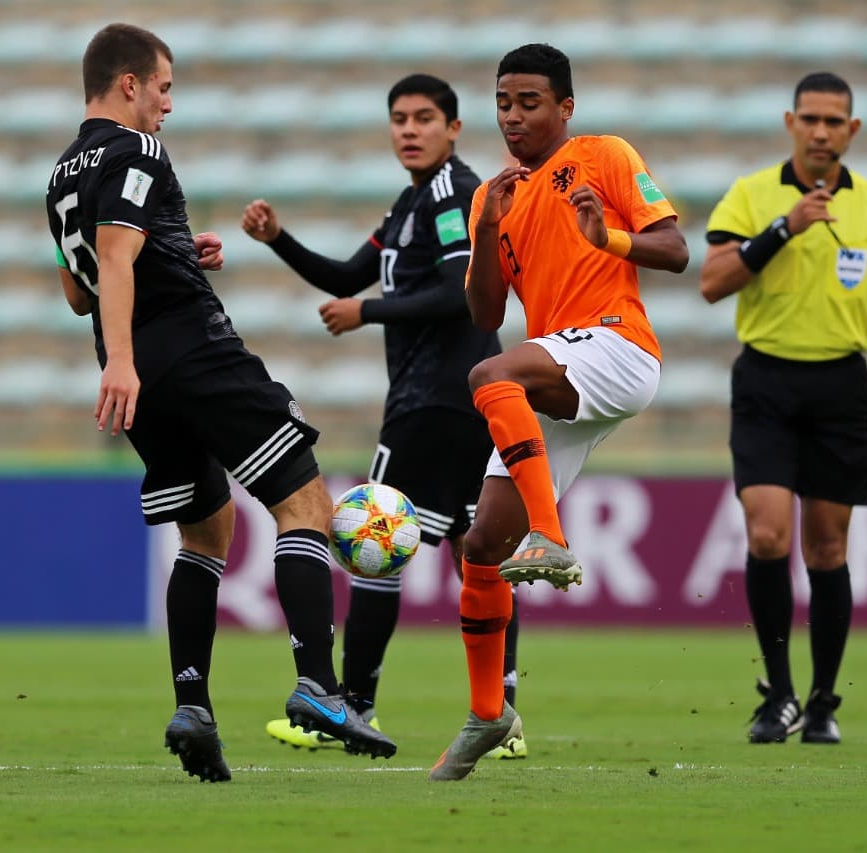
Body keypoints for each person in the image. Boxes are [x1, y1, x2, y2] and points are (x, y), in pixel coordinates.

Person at [45, 23, 396, 782]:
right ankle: (319, 686)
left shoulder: (59, 176)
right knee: (302, 497)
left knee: (206, 531)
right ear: (130, 83)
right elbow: (112, 257)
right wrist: (130, 360)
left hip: (139, 370)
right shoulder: (136, 149)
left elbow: (80, 289)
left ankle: (193, 704)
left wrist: (172, 251)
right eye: (164, 86)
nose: (169, 104)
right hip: (186, 352)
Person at [240, 73, 526, 761]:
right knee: (477, 555)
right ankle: (502, 712)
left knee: (373, 547)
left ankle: (352, 705)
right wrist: (279, 238)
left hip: (430, 402)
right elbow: (345, 276)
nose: (409, 129)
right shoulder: (410, 202)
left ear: (454, 128)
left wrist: (367, 311)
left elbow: (464, 291)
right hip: (464, 400)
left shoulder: (455, 192)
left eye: (424, 118)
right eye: (399, 118)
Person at [426, 43, 689, 782]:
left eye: (529, 103)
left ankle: (551, 533)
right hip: (557, 369)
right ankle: (487, 713)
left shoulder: (603, 157)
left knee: (489, 372)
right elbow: (483, 308)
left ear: (565, 107)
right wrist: (485, 232)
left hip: (617, 346)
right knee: (479, 546)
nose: (513, 117)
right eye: (504, 103)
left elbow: (674, 249)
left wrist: (604, 236)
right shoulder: (493, 194)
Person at [699, 71, 867, 746]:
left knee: (827, 548)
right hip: (765, 379)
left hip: (839, 387)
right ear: (790, 122)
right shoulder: (752, 194)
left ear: (852, 130)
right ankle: (780, 693)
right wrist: (782, 229)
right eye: (811, 119)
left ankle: (823, 699)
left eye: (835, 121)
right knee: (768, 535)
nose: (822, 131)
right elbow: (711, 281)